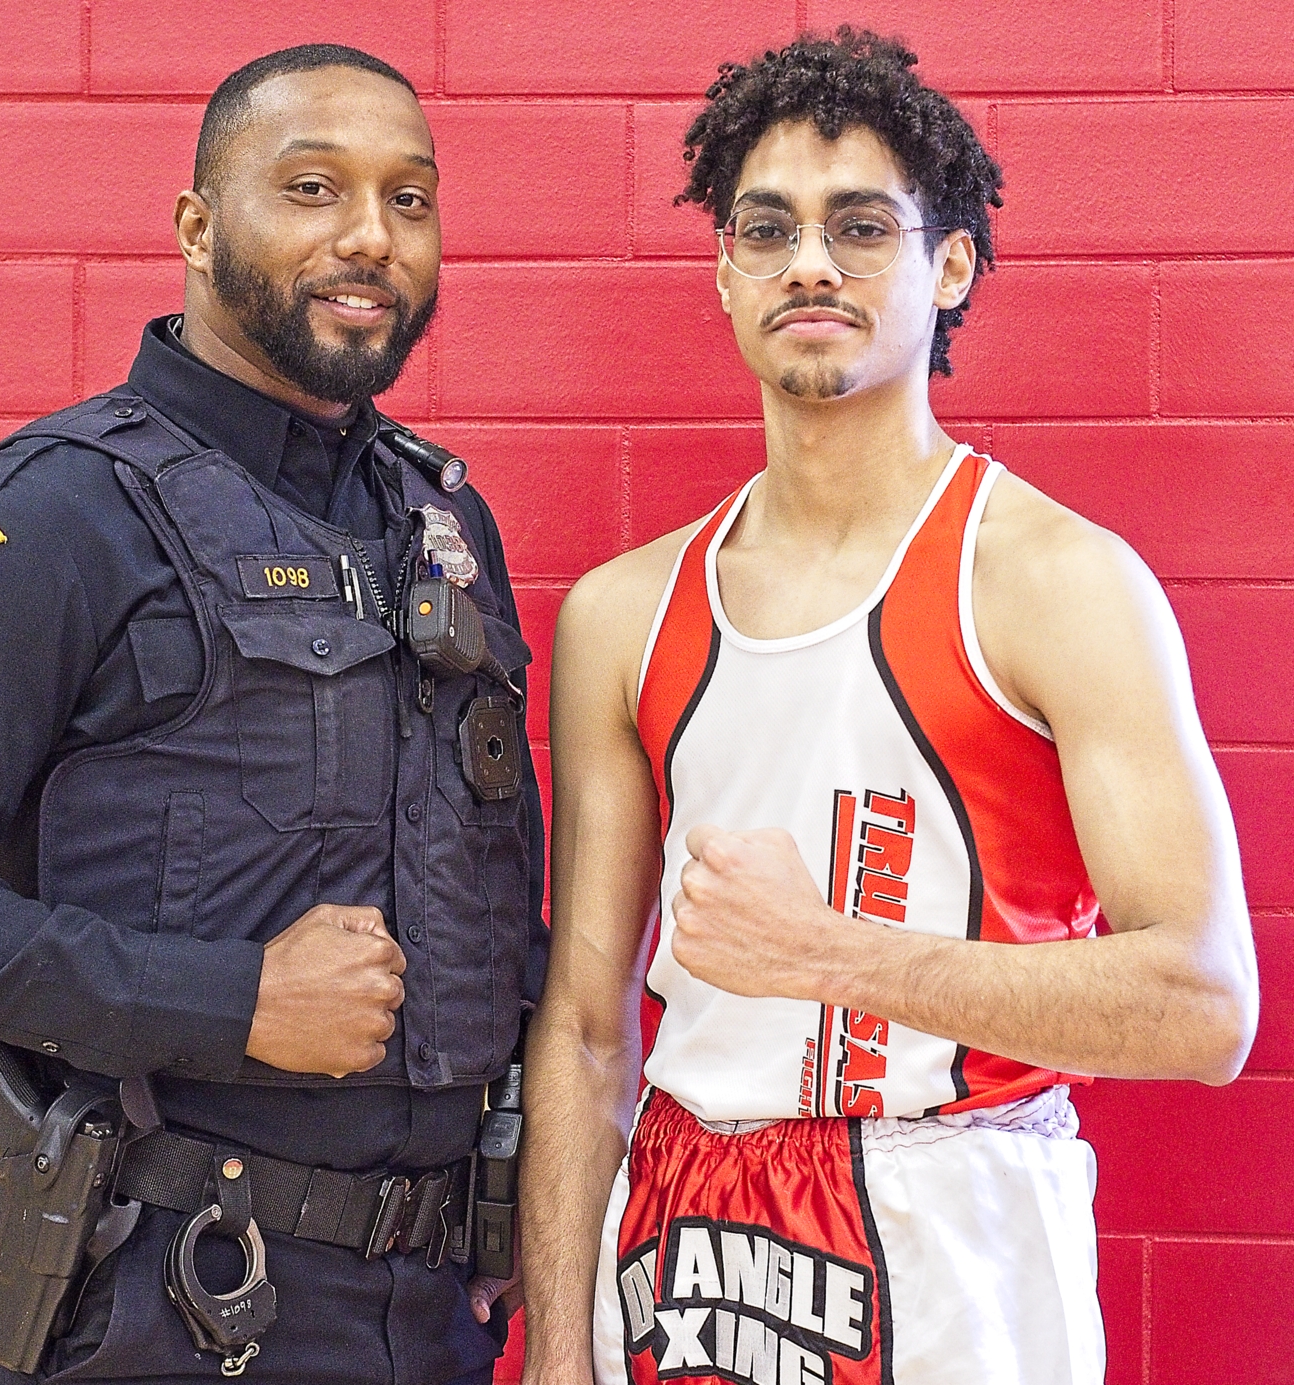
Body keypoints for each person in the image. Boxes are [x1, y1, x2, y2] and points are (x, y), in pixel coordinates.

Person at [520, 29, 1257, 1385]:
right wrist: (559, 1349)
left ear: (951, 265)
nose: (811, 262)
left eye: (861, 227)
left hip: (955, 1220)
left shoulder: (1056, 582)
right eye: (771, 228)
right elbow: (581, 1025)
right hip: (683, 1235)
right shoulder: (623, 614)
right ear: (728, 274)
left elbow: (1207, 1003)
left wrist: (832, 954)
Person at [0, 44, 544, 1385]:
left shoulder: (446, 526)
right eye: (312, 188)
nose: (368, 237)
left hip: (433, 1311)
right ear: (199, 227)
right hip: (175, 1299)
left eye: (409, 198)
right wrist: (234, 999)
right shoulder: (53, 514)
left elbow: (496, 901)